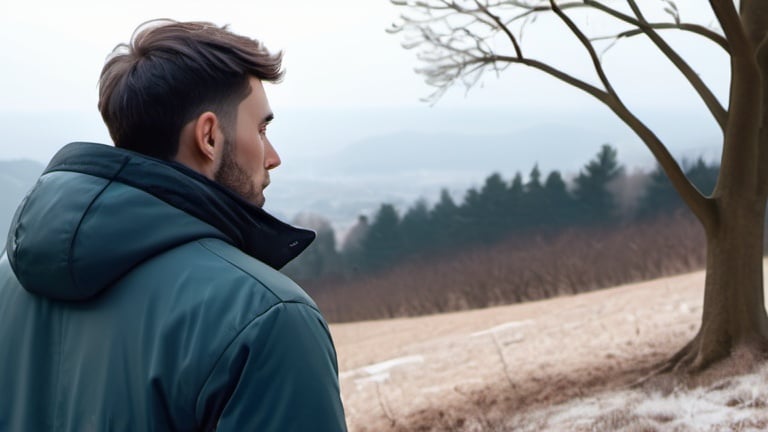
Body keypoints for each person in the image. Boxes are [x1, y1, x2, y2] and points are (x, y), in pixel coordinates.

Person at [0, 19, 347, 431]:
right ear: (209, 137)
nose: (273, 156)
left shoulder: (8, 283)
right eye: (261, 128)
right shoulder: (267, 318)